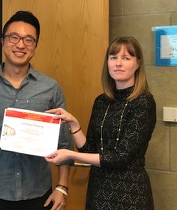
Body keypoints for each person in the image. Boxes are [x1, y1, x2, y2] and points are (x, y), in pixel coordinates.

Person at [0, 11, 73, 210]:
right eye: (14, 37)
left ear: (36, 45)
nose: (21, 45)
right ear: (3, 41)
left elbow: (64, 143)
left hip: (39, 193)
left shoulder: (50, 88)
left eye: (29, 40)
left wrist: (62, 187)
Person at [45, 36, 156, 210]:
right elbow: (89, 150)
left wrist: (71, 155)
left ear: (138, 64)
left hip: (130, 196)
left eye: (126, 58)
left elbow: (120, 158)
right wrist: (73, 123)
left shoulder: (143, 102)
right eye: (113, 58)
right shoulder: (101, 101)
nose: (118, 63)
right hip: (98, 193)